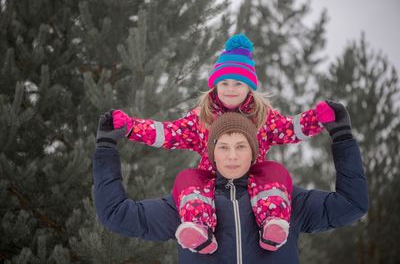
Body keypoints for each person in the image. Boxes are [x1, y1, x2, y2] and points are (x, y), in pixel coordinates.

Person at [109, 33, 336, 253]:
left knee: (274, 171)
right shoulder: (201, 118)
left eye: (238, 83)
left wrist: (316, 118)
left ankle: (272, 223)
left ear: (249, 86)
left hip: (253, 180)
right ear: (215, 85)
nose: (230, 89)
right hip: (213, 181)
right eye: (224, 82)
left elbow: (290, 128)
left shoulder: (263, 117)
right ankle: (198, 228)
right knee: (187, 178)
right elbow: (169, 133)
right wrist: (131, 127)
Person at [93, 101, 368, 264]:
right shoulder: (187, 203)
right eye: (223, 147)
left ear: (254, 151)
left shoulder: (287, 200)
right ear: (211, 152)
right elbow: (116, 215)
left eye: (241, 146)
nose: (233, 156)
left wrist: (342, 137)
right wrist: (106, 147)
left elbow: (352, 204)